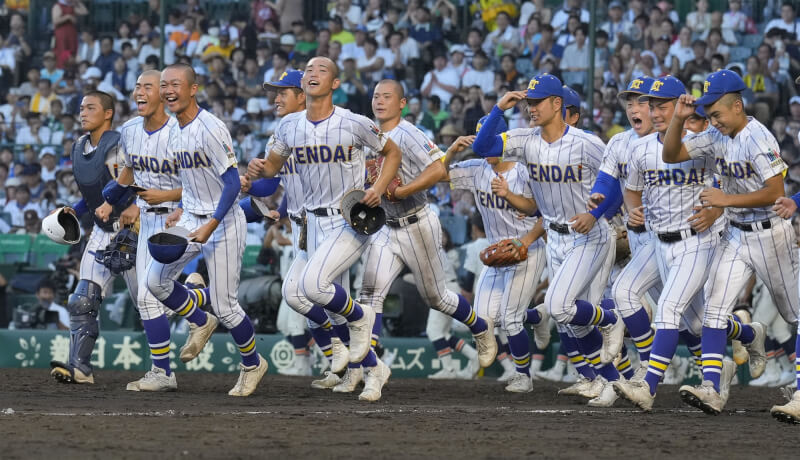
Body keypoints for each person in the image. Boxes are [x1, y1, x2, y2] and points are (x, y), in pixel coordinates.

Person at [246, 57, 404, 401]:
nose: (313, 74)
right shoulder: (290, 126)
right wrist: (258, 169)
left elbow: (392, 153)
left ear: (334, 84)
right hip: (310, 224)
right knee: (295, 294)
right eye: (308, 71)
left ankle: (361, 321)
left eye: (322, 71)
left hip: (347, 218)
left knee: (315, 286)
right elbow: (272, 168)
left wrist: (378, 187)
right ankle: (370, 369)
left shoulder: (353, 122)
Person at [473, 74, 624, 401]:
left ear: (557, 104)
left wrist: (596, 214)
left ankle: (610, 319)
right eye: (529, 102)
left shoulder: (587, 142)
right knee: (572, 322)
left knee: (559, 306)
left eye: (538, 101)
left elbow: (617, 182)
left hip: (588, 236)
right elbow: (482, 146)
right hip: (554, 236)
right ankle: (601, 380)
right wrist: (500, 108)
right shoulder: (526, 140)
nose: (531, 108)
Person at [662, 70, 796, 419]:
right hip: (736, 234)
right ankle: (711, 388)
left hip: (772, 233)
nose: (712, 120)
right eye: (707, 114)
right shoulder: (715, 135)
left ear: (737, 106)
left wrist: (725, 200)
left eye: (716, 113)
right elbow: (671, 155)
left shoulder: (758, 137)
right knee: (715, 307)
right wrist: (678, 119)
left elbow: (775, 192)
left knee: (795, 314)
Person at [352, 80, 497, 400]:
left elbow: (438, 171)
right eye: (376, 96)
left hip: (417, 222)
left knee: (437, 298)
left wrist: (403, 190)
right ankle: (372, 373)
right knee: (369, 298)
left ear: (402, 103)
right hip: (385, 227)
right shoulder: (367, 135)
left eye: (387, 96)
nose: (379, 101)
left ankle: (478, 326)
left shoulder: (409, 133)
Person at [147, 64, 268, 397]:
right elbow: (192, 181)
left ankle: (253, 364)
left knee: (227, 305)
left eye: (175, 84)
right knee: (155, 281)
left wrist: (209, 225)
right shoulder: (173, 128)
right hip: (193, 217)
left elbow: (231, 183)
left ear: (193, 88)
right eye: (164, 85)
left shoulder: (211, 127)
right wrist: (181, 210)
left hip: (224, 221)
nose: (168, 90)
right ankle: (201, 320)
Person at [101, 70, 214, 392]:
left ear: (162, 95)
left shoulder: (179, 133)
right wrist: (112, 199)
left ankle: (202, 309)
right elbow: (129, 171)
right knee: (148, 298)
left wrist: (168, 198)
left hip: (179, 219)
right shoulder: (130, 129)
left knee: (153, 291)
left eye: (147, 86)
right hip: (148, 219)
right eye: (137, 86)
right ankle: (198, 312)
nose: (139, 91)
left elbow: (199, 185)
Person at [243, 69, 348, 388]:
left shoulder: (328, 127)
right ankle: (340, 359)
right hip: (305, 227)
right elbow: (270, 184)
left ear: (302, 95)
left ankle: (362, 366)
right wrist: (248, 181)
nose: (275, 98)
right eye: (274, 92)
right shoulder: (282, 132)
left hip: (333, 223)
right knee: (297, 296)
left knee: (331, 303)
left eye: (283, 92)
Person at [444, 116, 549, 393]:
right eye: (482, 144)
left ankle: (523, 376)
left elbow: (543, 213)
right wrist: (451, 152)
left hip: (528, 247)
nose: (485, 150)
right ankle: (537, 317)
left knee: (511, 318)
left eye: (490, 143)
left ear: (505, 140)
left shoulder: (526, 171)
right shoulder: (477, 169)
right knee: (484, 318)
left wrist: (523, 238)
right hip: (496, 251)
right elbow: (440, 175)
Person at [48, 91, 141, 385]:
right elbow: (93, 197)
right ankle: (80, 367)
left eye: (91, 107)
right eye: (81, 108)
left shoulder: (117, 144)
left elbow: (137, 184)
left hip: (134, 230)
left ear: (108, 113)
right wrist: (72, 211)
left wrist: (130, 209)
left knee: (152, 304)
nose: (83, 112)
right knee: (81, 299)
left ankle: (195, 302)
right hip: (102, 232)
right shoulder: (78, 147)